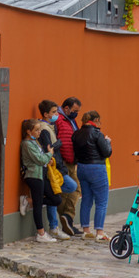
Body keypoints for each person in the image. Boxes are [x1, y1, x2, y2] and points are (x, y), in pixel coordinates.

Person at [36, 101, 77, 240]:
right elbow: (49, 149)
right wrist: (57, 146)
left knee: (56, 192)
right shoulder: (44, 128)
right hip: (53, 166)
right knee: (70, 186)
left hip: (56, 165)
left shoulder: (50, 126)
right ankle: (41, 203)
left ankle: (54, 226)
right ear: (46, 114)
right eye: (54, 112)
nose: (56, 115)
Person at [72, 110, 113, 241]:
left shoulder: (76, 134)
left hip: (82, 168)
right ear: (96, 120)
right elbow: (107, 152)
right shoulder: (97, 133)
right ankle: (99, 232)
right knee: (101, 202)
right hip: (96, 168)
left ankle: (86, 230)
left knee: (86, 200)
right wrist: (108, 142)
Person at [21, 119, 59, 243]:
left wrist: (47, 158)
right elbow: (39, 159)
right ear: (28, 131)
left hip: (42, 175)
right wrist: (50, 154)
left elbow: (42, 159)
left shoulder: (34, 142)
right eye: (36, 130)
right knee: (38, 206)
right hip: (33, 176)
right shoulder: (26, 144)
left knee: (56, 199)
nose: (39, 132)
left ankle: (28, 200)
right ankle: (41, 233)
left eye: (39, 129)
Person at [54, 97, 83, 236]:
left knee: (75, 189)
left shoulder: (70, 120)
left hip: (71, 161)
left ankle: (68, 219)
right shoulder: (60, 120)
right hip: (64, 162)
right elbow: (61, 141)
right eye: (74, 110)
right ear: (66, 108)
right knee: (70, 189)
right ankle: (67, 218)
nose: (76, 113)